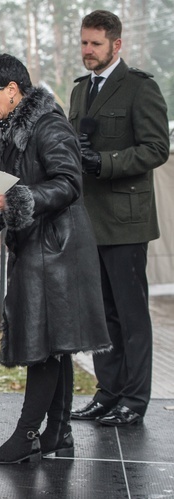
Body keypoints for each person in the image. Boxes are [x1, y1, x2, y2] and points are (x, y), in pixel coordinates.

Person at [0, 54, 111, 464]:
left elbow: (68, 183)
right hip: (41, 246)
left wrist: (15, 201)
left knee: (44, 344)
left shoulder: (48, 125)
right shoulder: (14, 131)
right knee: (55, 345)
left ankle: (26, 434)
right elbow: (15, 192)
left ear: (13, 90)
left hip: (57, 250)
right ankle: (58, 434)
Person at [68, 11, 169, 427]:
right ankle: (107, 393)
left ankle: (135, 399)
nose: (87, 51)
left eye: (95, 44)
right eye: (84, 43)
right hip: (88, 220)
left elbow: (156, 149)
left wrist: (104, 162)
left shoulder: (140, 88)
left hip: (126, 221)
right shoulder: (79, 91)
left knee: (130, 314)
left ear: (116, 45)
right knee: (101, 313)